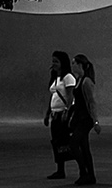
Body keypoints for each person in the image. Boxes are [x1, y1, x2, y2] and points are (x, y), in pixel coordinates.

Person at [44, 50, 76, 180]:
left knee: (65, 141)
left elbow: (70, 96)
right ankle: (60, 169)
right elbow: (53, 96)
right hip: (55, 114)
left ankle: (80, 166)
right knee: (57, 142)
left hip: (62, 114)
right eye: (53, 61)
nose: (54, 64)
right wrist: (47, 114)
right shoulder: (56, 77)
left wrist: (67, 112)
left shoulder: (68, 77)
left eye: (56, 61)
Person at [70, 54, 99, 186]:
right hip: (79, 117)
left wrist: (95, 121)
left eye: (74, 63)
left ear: (80, 64)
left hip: (85, 119)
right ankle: (89, 175)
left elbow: (91, 102)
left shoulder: (86, 82)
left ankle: (84, 171)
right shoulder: (79, 80)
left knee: (74, 144)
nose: (72, 66)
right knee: (84, 146)